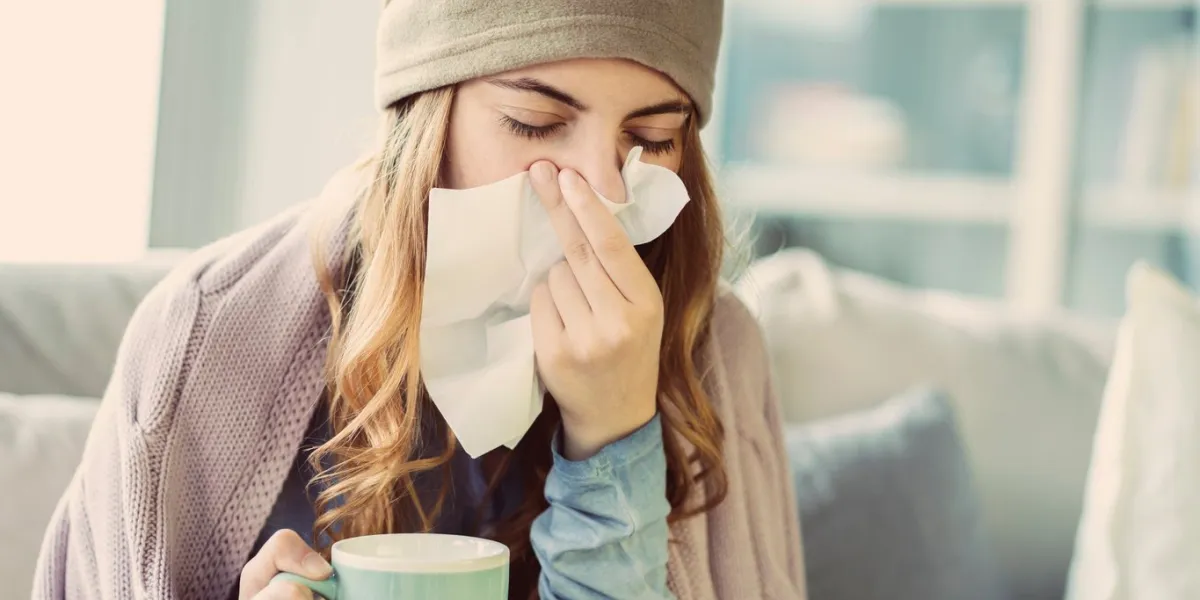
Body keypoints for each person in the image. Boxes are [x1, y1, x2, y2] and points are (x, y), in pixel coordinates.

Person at [33, 1, 808, 598]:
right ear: (423, 114)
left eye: (653, 138)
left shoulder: (713, 349)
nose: (602, 192)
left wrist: (614, 441)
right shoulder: (205, 332)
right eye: (535, 122)